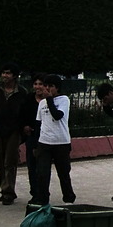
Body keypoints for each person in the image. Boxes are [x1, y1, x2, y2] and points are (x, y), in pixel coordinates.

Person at [33, 74, 76, 205]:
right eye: (46, 86)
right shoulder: (42, 104)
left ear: (57, 88)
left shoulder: (64, 100)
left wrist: (50, 99)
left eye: (50, 86)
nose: (47, 89)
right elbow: (38, 123)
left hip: (61, 142)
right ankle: (42, 198)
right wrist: (36, 144)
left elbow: (57, 115)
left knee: (63, 172)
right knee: (42, 173)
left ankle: (68, 196)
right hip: (45, 141)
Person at [0, 62, 28, 205]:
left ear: (14, 76)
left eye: (8, 73)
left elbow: (24, 112)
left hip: (14, 130)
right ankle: (4, 187)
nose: (5, 76)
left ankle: (8, 191)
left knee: (10, 160)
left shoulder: (21, 92)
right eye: (3, 73)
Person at [19, 73, 47, 202]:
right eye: (35, 84)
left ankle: (43, 192)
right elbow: (22, 114)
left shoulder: (49, 101)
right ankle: (35, 192)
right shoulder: (29, 99)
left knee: (43, 167)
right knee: (32, 165)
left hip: (45, 137)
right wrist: (25, 126)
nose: (38, 87)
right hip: (32, 135)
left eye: (40, 84)